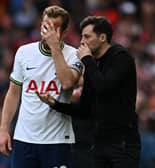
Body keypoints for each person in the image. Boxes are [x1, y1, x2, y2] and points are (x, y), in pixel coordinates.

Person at [37, 16, 141, 168]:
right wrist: (55, 104)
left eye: (87, 36)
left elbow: (104, 87)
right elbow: (85, 110)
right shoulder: (93, 64)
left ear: (103, 37)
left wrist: (87, 59)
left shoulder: (120, 57)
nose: (82, 42)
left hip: (122, 143)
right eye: (81, 36)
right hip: (100, 143)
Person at [0, 5, 83, 168]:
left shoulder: (74, 55)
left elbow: (67, 83)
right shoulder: (24, 52)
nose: (48, 33)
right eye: (46, 27)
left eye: (54, 29)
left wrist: (54, 47)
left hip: (57, 140)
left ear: (65, 32)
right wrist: (3, 129)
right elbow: (13, 93)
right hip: (24, 139)